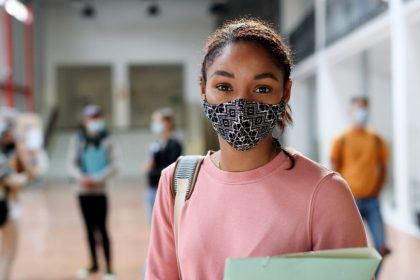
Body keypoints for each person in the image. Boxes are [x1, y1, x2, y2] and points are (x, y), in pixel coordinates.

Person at [145, 19, 368, 280]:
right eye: (224, 87)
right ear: (203, 89)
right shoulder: (178, 182)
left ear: (285, 92)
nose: (241, 105)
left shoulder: (324, 192)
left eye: (262, 88)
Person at [330, 96, 391, 258]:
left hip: (372, 201)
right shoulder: (341, 139)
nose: (361, 112)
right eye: (358, 108)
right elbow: (334, 169)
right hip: (351, 201)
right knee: (350, 249)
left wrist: (377, 190)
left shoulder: (376, 139)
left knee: (381, 247)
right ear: (350, 111)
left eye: (364, 108)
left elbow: (384, 167)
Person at [67, 105, 118, 280]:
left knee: (102, 228)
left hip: (100, 191)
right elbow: (71, 164)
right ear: (85, 120)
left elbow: (115, 165)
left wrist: (96, 179)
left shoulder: (108, 140)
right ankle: (94, 264)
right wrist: (82, 178)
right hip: (82, 191)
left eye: (97, 117)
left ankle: (109, 268)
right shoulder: (78, 139)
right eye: (91, 118)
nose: (94, 121)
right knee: (88, 229)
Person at [0, 110, 30, 280]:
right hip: (5, 207)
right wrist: (23, 179)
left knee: (7, 251)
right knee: (8, 252)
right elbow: (11, 180)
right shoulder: (3, 158)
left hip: (9, 204)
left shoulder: (10, 154)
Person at [144, 108, 182, 222]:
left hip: (164, 188)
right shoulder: (159, 143)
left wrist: (151, 170)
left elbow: (170, 167)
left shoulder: (174, 144)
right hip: (153, 186)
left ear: (168, 123)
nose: (155, 124)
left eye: (158, 121)